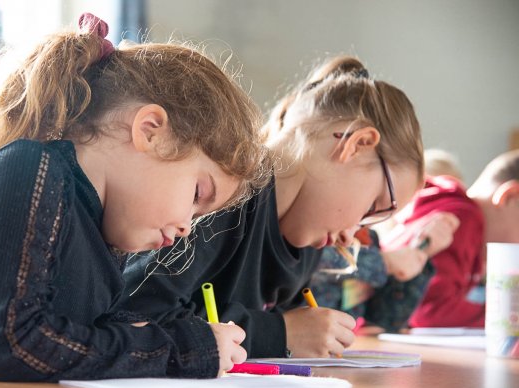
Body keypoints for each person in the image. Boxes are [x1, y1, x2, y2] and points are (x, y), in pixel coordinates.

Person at [0, 13, 270, 388]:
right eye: (196, 195)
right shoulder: (28, 169)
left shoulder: (100, 234)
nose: (187, 226)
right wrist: (181, 349)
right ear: (150, 132)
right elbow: (14, 344)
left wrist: (155, 333)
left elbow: (81, 341)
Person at [121, 56, 425, 359]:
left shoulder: (306, 244)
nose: (350, 236)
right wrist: (279, 334)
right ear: (356, 145)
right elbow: (136, 313)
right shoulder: (223, 192)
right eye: (373, 207)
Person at [382, 149, 519, 328]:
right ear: (510, 198)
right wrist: (508, 315)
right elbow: (431, 311)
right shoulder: (463, 218)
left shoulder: (462, 217)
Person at [309, 212, 459, 334]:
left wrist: (421, 251)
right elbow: (310, 261)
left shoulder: (368, 238)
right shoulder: (313, 226)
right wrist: (383, 262)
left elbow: (385, 320)